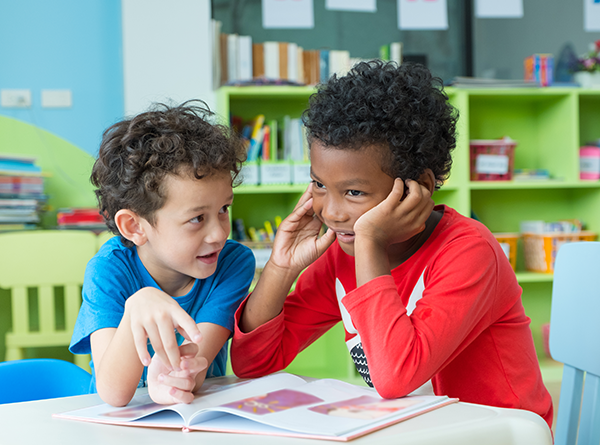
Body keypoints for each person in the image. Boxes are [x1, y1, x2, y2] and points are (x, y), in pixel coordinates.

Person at [230, 60, 553, 428]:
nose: (332, 213)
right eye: (319, 185)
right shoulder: (341, 252)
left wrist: (369, 241)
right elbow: (252, 363)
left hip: (499, 434)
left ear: (420, 187)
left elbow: (396, 376)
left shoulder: (469, 252)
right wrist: (281, 268)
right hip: (417, 431)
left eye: (354, 192)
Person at [70, 101, 255, 407]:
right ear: (134, 226)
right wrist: (136, 307)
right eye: (197, 218)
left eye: (223, 209)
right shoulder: (108, 270)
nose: (220, 233)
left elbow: (195, 366)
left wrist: (171, 378)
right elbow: (113, 394)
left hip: (193, 421)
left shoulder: (232, 264)